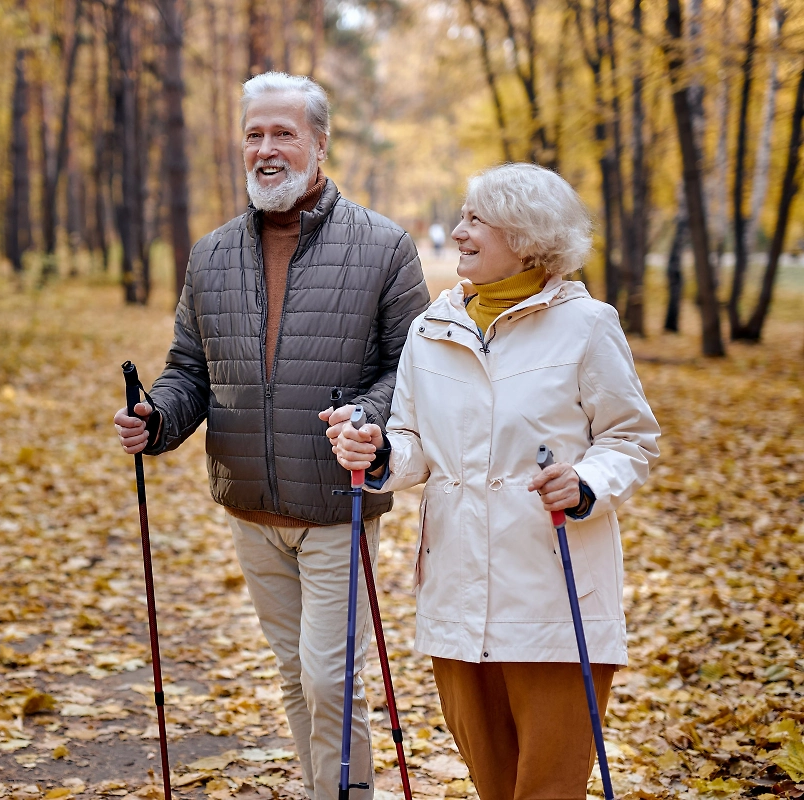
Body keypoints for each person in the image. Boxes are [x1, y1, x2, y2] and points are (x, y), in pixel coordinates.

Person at [113, 72, 429, 798]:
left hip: (336, 500)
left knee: (329, 679)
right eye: (253, 134)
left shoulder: (384, 246)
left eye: (283, 132)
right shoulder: (212, 254)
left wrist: (366, 417)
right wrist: (157, 418)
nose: (266, 148)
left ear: (320, 143)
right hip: (250, 506)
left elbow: (412, 369)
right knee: (294, 676)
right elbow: (190, 369)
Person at [329, 163, 660, 800]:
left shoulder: (588, 324)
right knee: (493, 786)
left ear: (527, 236)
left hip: (554, 595)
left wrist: (586, 482)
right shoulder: (432, 328)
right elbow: (413, 442)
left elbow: (631, 438)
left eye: (476, 220)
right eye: (463, 217)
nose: (458, 232)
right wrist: (377, 453)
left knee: (548, 788)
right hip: (457, 597)